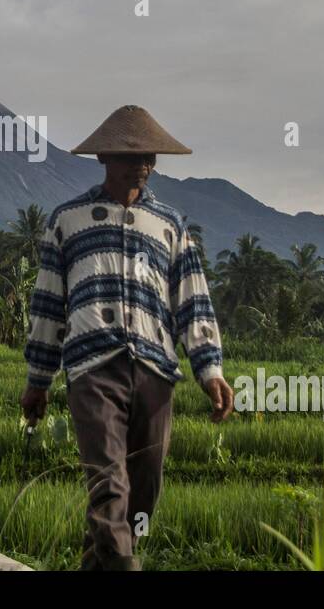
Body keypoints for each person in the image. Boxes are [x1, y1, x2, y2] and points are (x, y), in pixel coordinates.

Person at [19, 104, 233, 570]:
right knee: (109, 485)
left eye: (149, 157)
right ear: (103, 159)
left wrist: (209, 369)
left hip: (155, 370)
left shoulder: (171, 226)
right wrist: (39, 379)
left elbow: (192, 301)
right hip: (93, 367)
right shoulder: (68, 221)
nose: (142, 165)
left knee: (143, 492)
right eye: (129, 156)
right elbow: (48, 304)